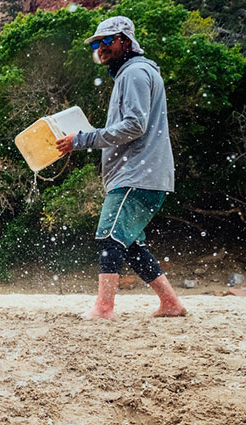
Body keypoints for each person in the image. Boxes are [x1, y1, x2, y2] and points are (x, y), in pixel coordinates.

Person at [55, 16, 186, 319]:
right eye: (97, 43)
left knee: (109, 237)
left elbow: (135, 125)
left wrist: (82, 139)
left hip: (138, 175)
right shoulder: (133, 72)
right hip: (144, 174)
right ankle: (171, 304)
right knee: (129, 244)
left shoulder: (135, 73)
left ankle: (104, 307)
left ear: (125, 41)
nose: (100, 48)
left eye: (107, 41)